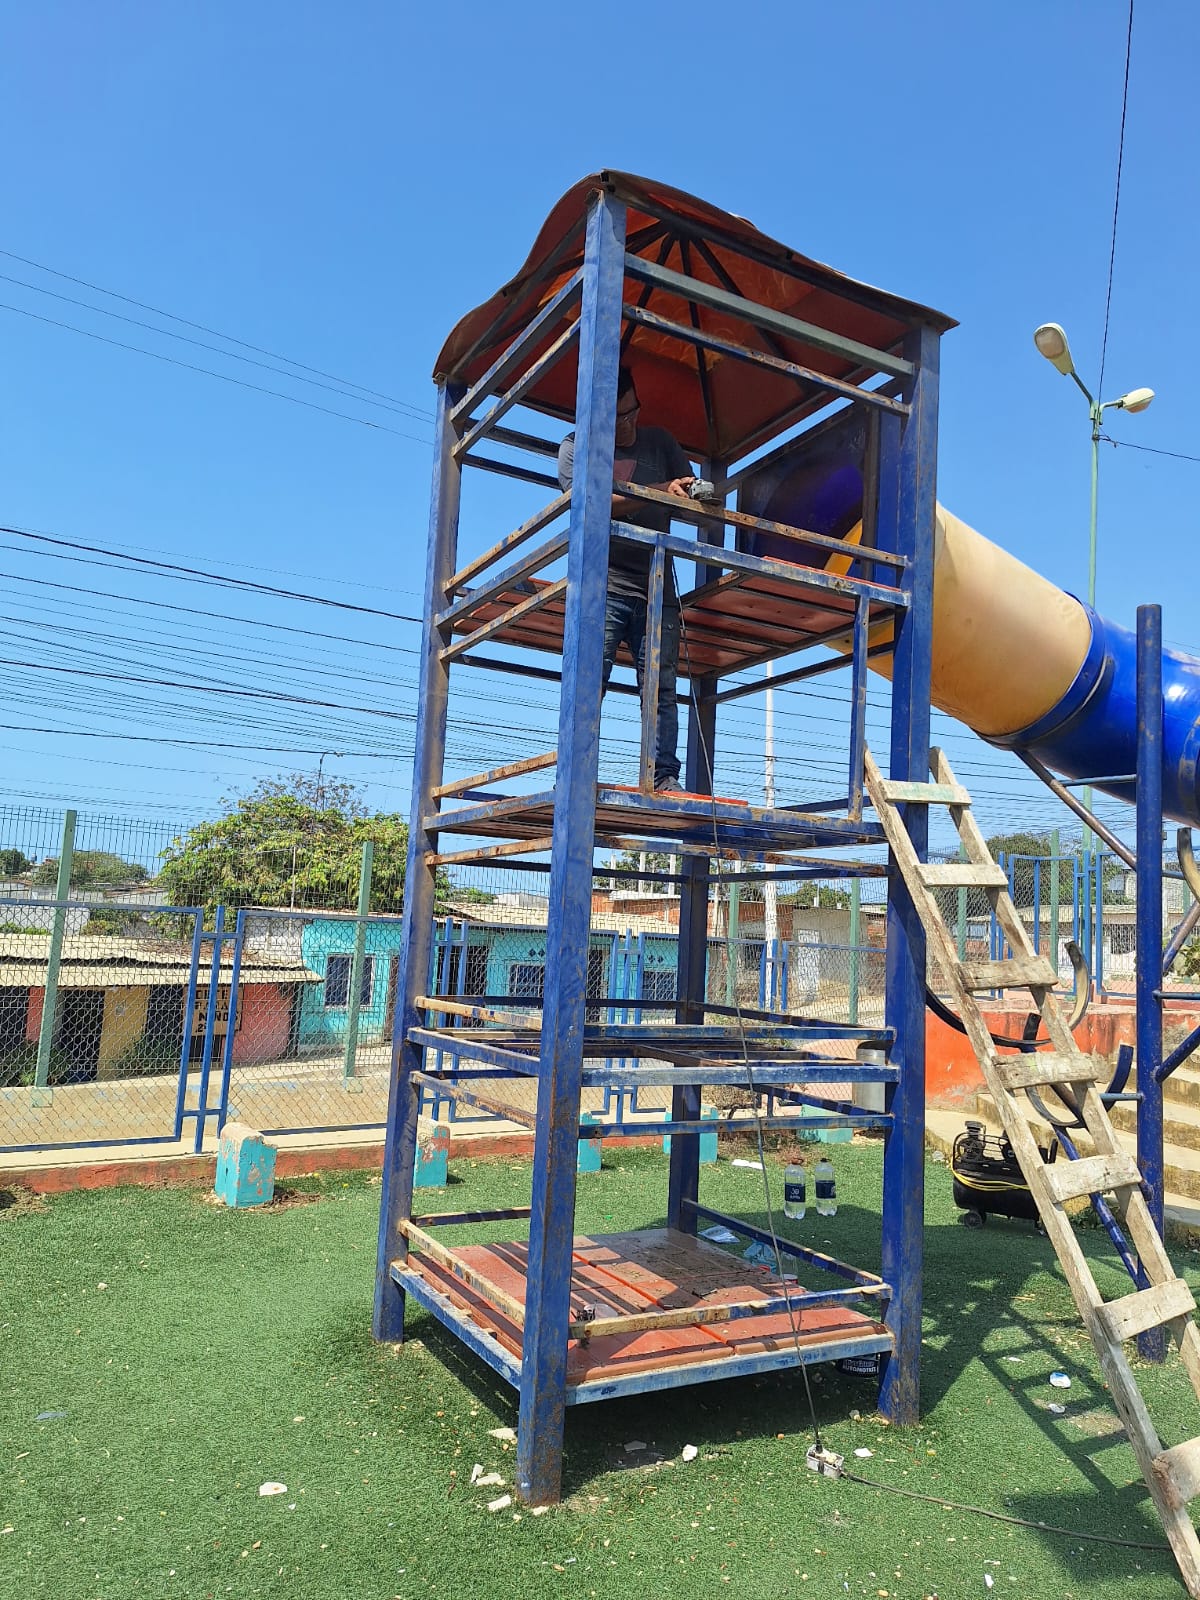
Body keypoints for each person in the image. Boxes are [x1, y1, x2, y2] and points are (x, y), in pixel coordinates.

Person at [557, 365, 695, 792]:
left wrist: (692, 493)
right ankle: (576, 774)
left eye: (633, 411)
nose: (628, 423)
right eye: (618, 417)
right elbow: (589, 504)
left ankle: (663, 776)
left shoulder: (661, 443)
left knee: (662, 688)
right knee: (588, 683)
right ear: (596, 413)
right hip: (602, 586)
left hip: (656, 586)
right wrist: (658, 492)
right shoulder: (575, 447)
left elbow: (694, 500)